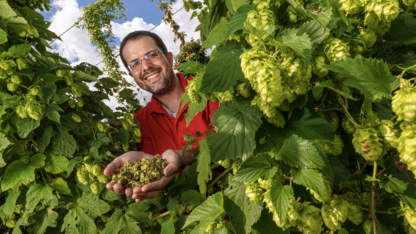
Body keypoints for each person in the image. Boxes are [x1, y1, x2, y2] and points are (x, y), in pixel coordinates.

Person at [104, 31, 218, 202]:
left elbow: (232, 141)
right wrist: (151, 175)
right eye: (135, 63)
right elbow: (158, 170)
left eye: (151, 55)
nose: (146, 66)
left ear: (169, 58)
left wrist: (181, 157)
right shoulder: (140, 122)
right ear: (132, 75)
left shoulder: (209, 87)